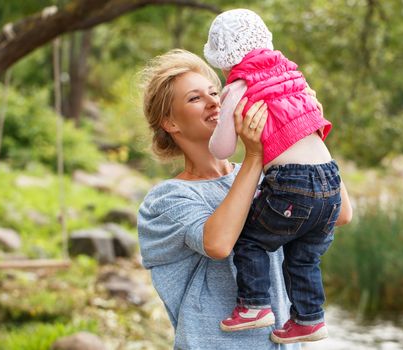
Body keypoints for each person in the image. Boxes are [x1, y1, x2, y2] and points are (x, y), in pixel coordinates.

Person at [137, 49, 352, 349]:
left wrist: (307, 131)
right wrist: (254, 156)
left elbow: (341, 213)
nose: (214, 102)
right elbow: (219, 243)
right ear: (170, 123)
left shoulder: (272, 175)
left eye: (215, 92)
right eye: (195, 98)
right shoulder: (166, 200)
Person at [203, 9, 349, 344]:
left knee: (251, 239)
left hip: (293, 182)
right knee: (304, 255)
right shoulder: (295, 79)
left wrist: (230, 124)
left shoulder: (239, 87)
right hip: (330, 179)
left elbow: (223, 148)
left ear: (224, 61)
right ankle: (309, 318)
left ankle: (254, 305)